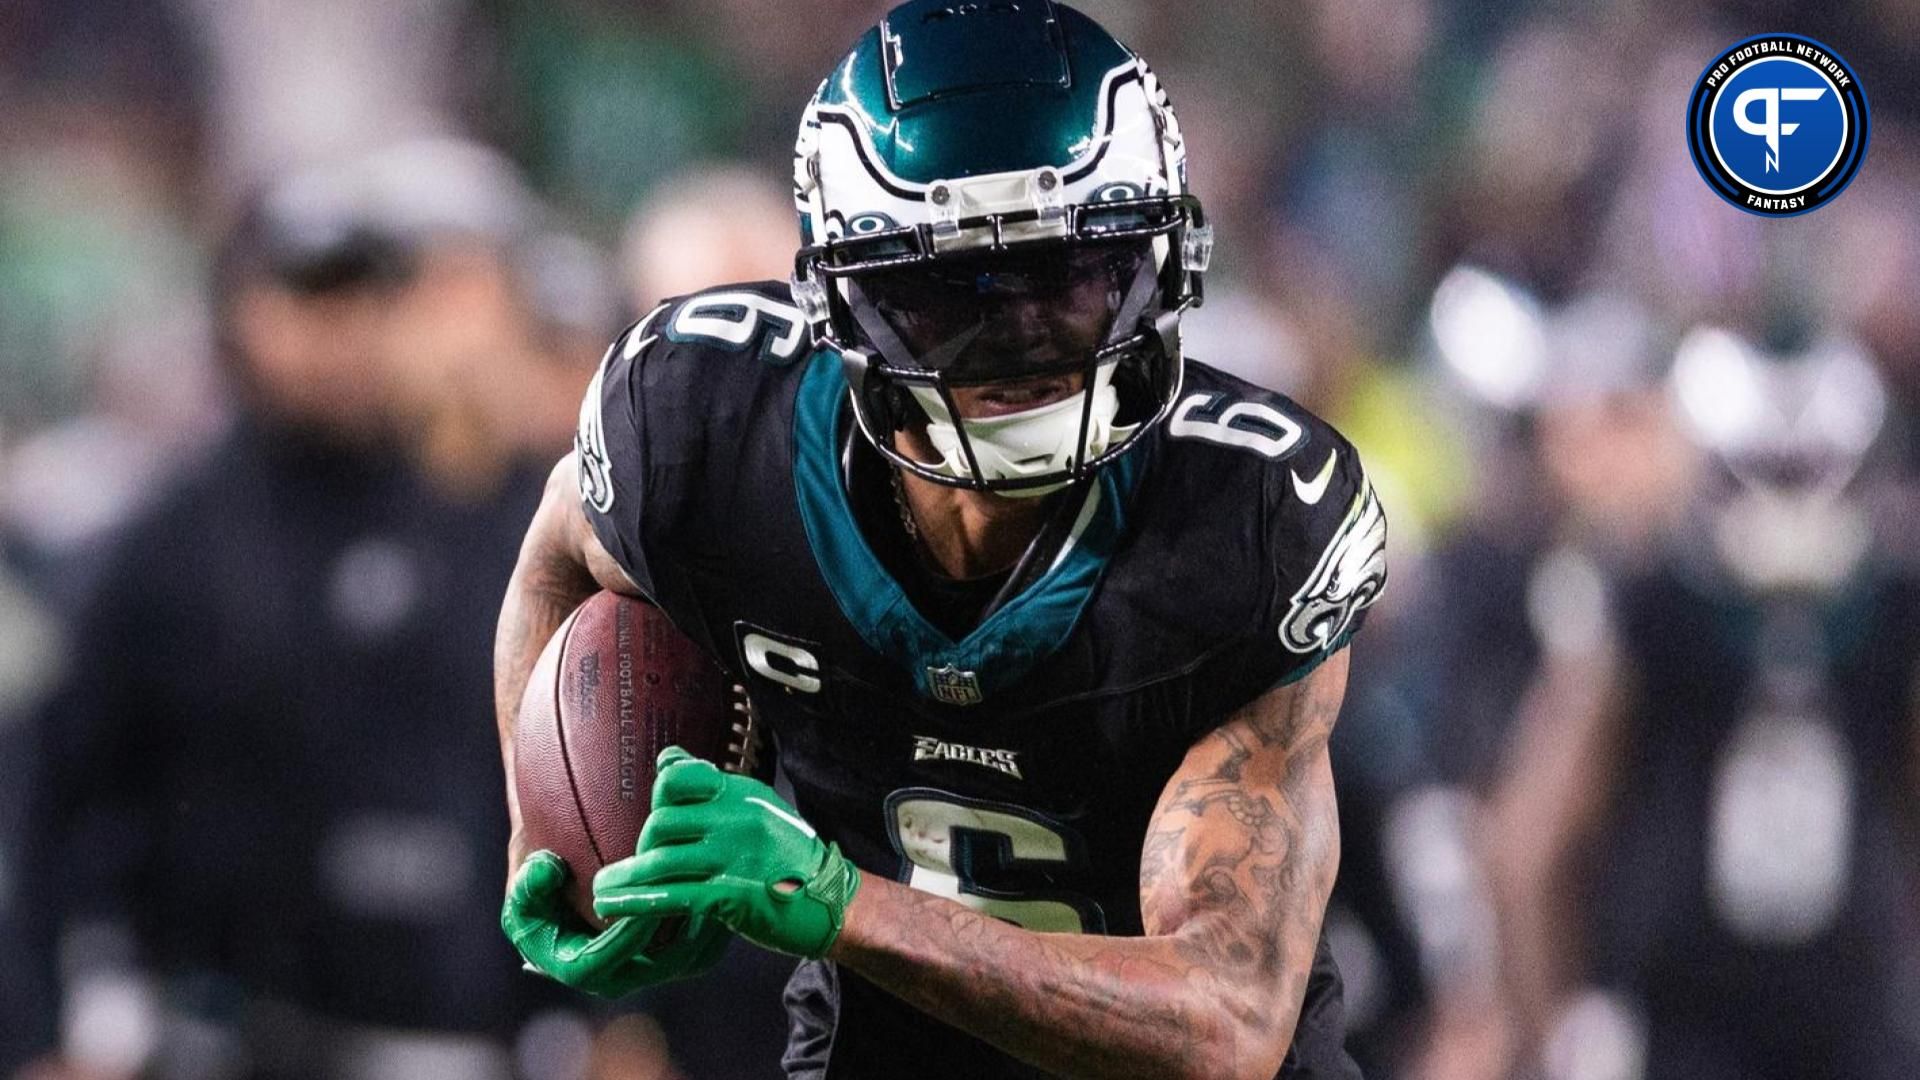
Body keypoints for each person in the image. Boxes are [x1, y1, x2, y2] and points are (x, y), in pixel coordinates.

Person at [493, 4, 1388, 1078]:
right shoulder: (700, 428)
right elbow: (558, 548)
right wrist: (550, 833)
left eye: (1069, 280)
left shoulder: (1246, 520)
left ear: (1157, 261)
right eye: (946, 294)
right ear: (846, 302)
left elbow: (1223, 1020)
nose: (1019, 344)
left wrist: (832, 900)